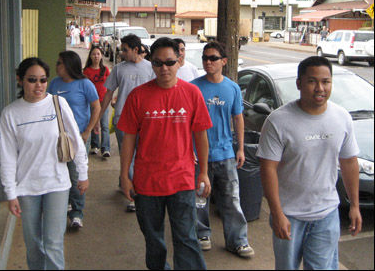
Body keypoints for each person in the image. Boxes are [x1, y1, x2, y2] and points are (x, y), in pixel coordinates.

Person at [257, 56, 362, 270]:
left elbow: (349, 162)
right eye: (312, 81)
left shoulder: (341, 117)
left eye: (326, 81)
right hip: (289, 215)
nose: (320, 88)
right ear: (299, 83)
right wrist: (277, 213)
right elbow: (268, 168)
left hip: (327, 213)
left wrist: (355, 205)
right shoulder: (278, 121)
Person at [118, 37, 212, 270]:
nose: (164, 68)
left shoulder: (192, 93)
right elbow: (129, 137)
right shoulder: (138, 96)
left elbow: (201, 135)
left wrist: (204, 173)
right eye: (157, 63)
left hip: (181, 180)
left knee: (186, 238)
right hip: (147, 182)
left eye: (169, 62)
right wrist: (124, 175)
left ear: (179, 61)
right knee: (154, 240)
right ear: (151, 63)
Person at [0, 57, 89, 270]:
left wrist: (83, 173)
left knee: (53, 243)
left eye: (43, 79)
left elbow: (76, 140)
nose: (38, 85)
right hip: (27, 188)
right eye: (32, 80)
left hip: (57, 184)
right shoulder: (10, 113)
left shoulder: (58, 104)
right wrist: (10, 193)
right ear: (20, 80)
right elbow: (7, 156)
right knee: (33, 244)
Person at [191, 41, 255, 258]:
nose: (208, 62)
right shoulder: (193, 87)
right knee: (200, 199)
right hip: (199, 156)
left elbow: (238, 118)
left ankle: (237, 240)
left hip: (226, 154)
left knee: (231, 200)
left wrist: (241, 148)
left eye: (213, 58)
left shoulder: (233, 88)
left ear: (224, 62)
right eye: (205, 58)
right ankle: (202, 234)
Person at [96, 34, 155, 212]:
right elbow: (108, 93)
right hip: (122, 117)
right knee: (127, 156)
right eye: (122, 49)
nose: (121, 53)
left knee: (141, 157)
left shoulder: (150, 68)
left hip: (145, 120)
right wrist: (100, 118)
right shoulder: (118, 69)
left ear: (136, 50)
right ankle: (134, 195)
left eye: (125, 50)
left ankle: (127, 183)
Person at [47, 51, 100, 229]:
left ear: (69, 65)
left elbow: (96, 107)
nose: (57, 66)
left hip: (77, 137)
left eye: (60, 63)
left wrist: (88, 131)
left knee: (76, 173)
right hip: (56, 137)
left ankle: (77, 213)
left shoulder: (85, 84)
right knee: (60, 172)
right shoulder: (54, 84)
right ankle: (66, 204)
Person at [83, 46, 111, 157]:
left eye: (98, 54)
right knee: (93, 123)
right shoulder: (87, 71)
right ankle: (95, 146)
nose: (96, 56)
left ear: (101, 56)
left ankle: (106, 148)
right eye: (94, 54)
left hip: (103, 100)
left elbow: (110, 85)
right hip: (92, 102)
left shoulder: (105, 70)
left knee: (104, 125)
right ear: (90, 56)